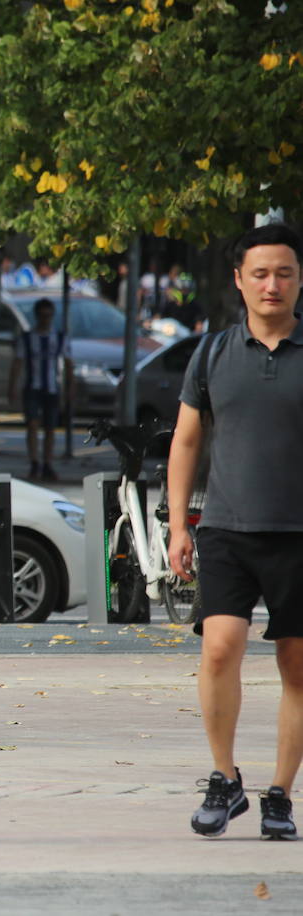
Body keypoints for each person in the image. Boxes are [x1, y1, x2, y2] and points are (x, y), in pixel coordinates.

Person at [168, 223, 303, 841]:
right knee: (220, 647)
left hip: (298, 535)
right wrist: (178, 524)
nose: (271, 284)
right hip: (225, 527)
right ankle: (224, 780)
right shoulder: (212, 352)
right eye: (260, 273)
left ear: (298, 280)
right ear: (238, 280)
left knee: (296, 666)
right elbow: (187, 440)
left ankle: (280, 793)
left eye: (283, 273)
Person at [8, 298, 70, 482]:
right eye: (42, 316)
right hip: (32, 387)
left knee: (50, 428)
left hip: (52, 388)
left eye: (48, 316)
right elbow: (17, 363)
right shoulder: (27, 338)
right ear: (37, 316)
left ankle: (47, 463)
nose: (45, 319)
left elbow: (68, 364)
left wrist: (69, 389)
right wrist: (12, 387)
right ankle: (35, 461)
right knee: (33, 425)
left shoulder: (59, 337)